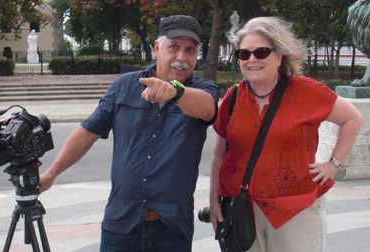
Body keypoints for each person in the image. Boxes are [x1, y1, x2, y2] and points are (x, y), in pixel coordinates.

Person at [39, 15, 218, 252]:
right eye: (174, 47)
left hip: (171, 229)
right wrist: (51, 174)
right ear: (157, 48)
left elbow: (207, 108)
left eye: (190, 50)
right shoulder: (124, 86)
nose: (181, 57)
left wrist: (175, 92)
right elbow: (88, 132)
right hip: (122, 222)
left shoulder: (203, 90)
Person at [209, 16, 363, 252]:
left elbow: (353, 118)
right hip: (243, 209)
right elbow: (219, 154)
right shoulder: (232, 98)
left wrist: (334, 163)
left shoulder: (307, 92)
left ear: (279, 56)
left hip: (295, 209)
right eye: (244, 54)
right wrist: (213, 199)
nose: (252, 60)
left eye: (261, 52)